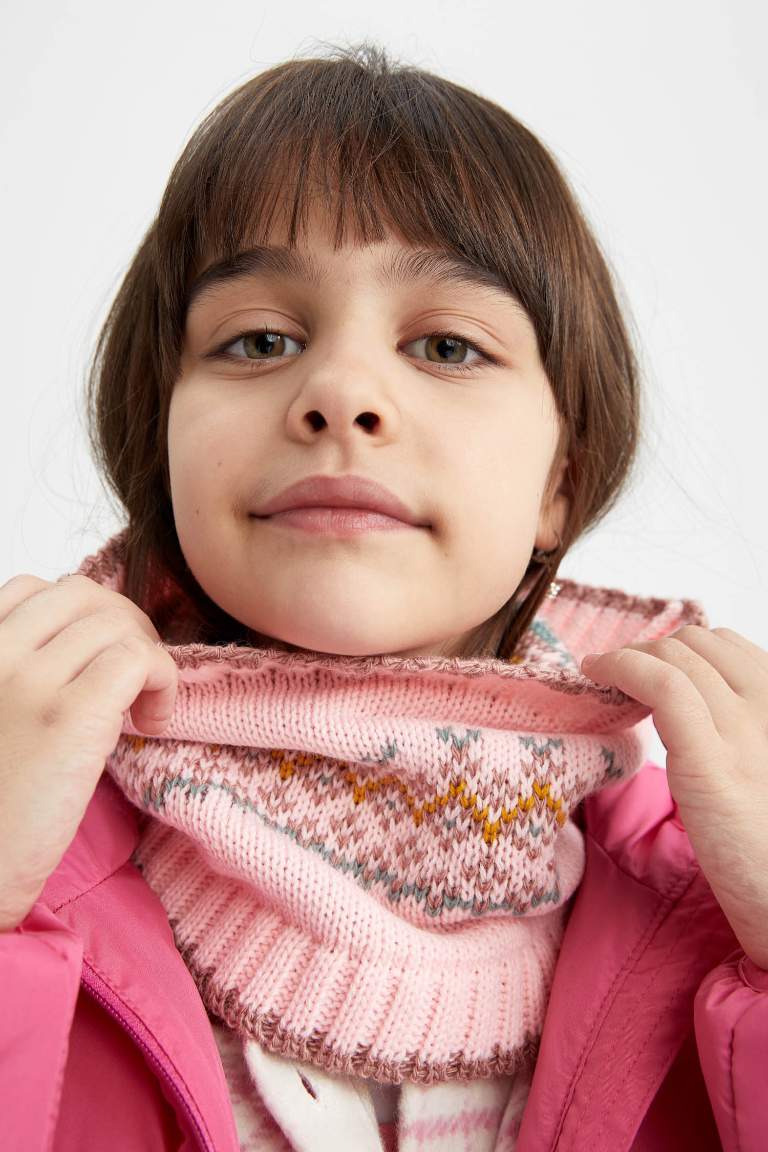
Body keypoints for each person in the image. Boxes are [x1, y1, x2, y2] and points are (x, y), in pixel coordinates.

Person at [1, 41, 766, 1152]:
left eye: (448, 345)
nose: (342, 394)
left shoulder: (720, 883)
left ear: (562, 479)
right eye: (259, 339)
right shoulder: (23, 814)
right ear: (159, 438)